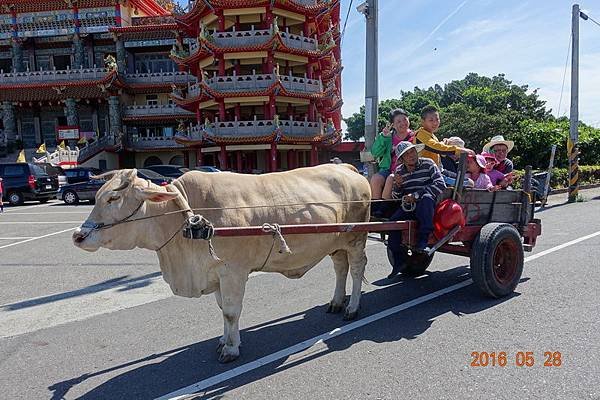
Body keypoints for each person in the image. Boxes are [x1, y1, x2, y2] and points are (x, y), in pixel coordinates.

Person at [387, 141, 446, 278]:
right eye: (406, 154)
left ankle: (423, 240)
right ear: (401, 159)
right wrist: (398, 186)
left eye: (412, 151)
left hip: (429, 205)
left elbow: (440, 184)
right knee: (393, 222)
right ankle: (399, 261)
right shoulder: (399, 171)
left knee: (425, 198)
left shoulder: (428, 163)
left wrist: (416, 195)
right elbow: (397, 196)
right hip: (409, 206)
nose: (411, 155)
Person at [370, 108, 414, 215]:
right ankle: (375, 208)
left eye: (404, 119)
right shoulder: (387, 137)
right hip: (388, 168)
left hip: (406, 170)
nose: (403, 123)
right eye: (398, 121)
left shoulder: (414, 136)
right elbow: (375, 153)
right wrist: (383, 138)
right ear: (393, 125)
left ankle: (384, 208)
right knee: (376, 178)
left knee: (391, 178)